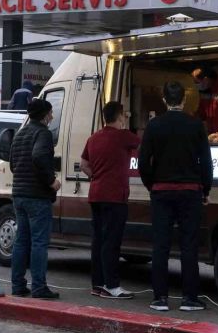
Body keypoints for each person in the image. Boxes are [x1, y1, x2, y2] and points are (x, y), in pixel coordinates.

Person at [138, 81, 213, 312]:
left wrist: (152, 184)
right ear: (184, 100)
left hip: (161, 192)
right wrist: (205, 189)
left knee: (160, 245)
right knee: (188, 245)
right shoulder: (196, 125)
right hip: (190, 192)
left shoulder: (154, 126)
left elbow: (143, 162)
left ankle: (160, 298)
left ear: (164, 100)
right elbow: (206, 163)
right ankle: (189, 298)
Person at [81, 101, 140, 299]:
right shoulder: (123, 137)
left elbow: (83, 164)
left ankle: (97, 284)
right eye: (124, 115)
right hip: (115, 196)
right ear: (120, 116)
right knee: (112, 242)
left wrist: (95, 176)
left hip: (96, 194)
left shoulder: (93, 138)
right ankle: (111, 285)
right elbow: (144, 143)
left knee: (98, 240)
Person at [9, 98, 62, 299]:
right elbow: (39, 156)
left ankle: (18, 285)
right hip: (37, 196)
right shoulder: (43, 133)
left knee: (21, 241)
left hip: (19, 194)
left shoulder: (20, 133)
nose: (52, 116)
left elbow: (13, 164)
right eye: (50, 113)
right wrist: (51, 181)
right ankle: (39, 287)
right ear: (44, 115)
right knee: (39, 242)